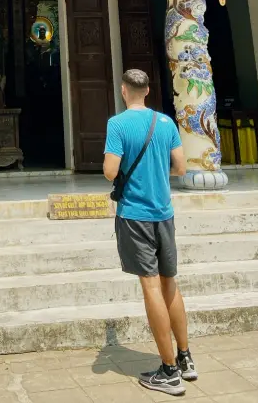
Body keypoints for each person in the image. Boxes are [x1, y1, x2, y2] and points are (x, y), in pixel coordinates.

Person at [103, 68, 196, 397]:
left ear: (124, 91)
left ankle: (168, 371)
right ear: (147, 91)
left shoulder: (118, 125)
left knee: (151, 287)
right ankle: (185, 358)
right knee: (171, 283)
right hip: (164, 213)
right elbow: (182, 168)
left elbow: (110, 172)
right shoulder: (167, 123)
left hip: (135, 215)